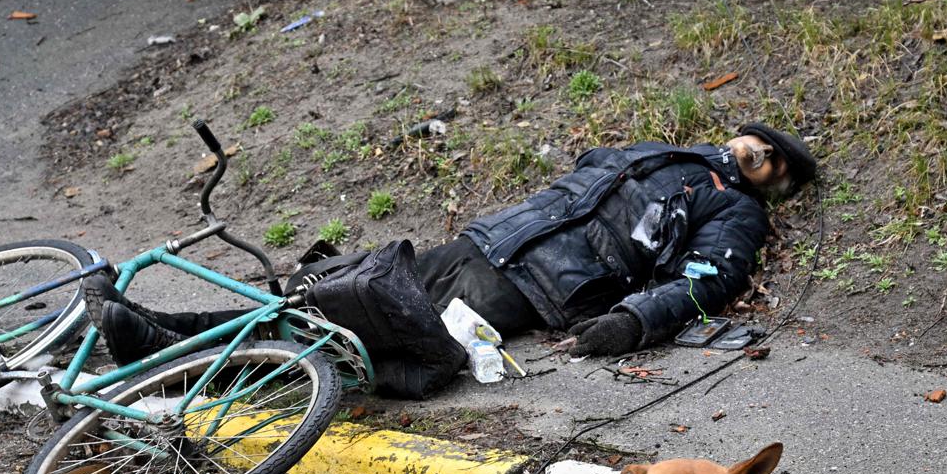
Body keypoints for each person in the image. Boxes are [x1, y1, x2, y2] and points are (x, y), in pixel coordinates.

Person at [89, 123, 815, 369]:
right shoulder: (670, 154)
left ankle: (167, 353)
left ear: (774, 184)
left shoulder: (734, 213)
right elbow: (588, 172)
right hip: (483, 244)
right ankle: (162, 335)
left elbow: (705, 281)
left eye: (773, 161)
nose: (759, 153)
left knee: (362, 341)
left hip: (528, 289)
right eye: (758, 143)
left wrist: (632, 321)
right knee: (326, 298)